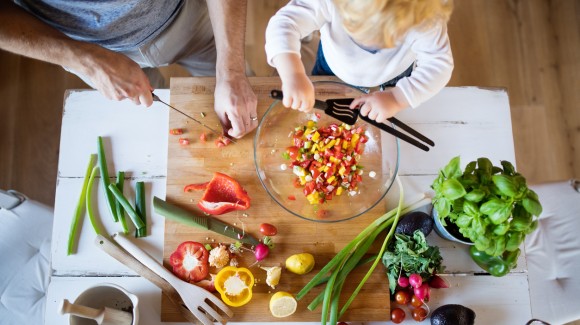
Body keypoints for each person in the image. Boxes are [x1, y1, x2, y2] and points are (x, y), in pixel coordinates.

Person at [0, 0, 258, 139]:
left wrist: (231, 71)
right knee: (153, 135)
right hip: (85, 48)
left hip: (183, 17)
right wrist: (87, 60)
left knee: (244, 108)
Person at [265, 0, 454, 124]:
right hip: (332, 67)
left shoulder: (426, 18)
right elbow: (285, 23)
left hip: (393, 77)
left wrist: (398, 98)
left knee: (385, 113)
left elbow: (439, 64)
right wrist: (293, 74)